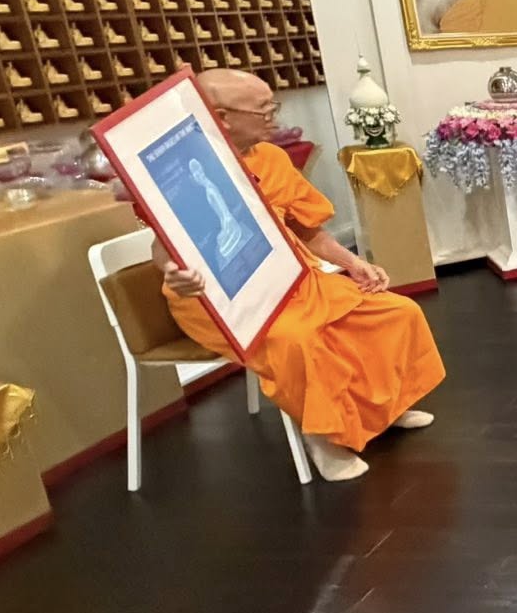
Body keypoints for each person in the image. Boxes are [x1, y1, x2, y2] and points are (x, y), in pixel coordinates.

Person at [157, 70, 444, 481]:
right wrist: (172, 270)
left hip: (291, 278)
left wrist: (353, 263)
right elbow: (160, 245)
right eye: (264, 109)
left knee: (395, 311)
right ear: (221, 117)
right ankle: (323, 436)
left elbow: (307, 228)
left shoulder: (271, 158)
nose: (274, 116)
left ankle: (385, 408)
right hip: (217, 295)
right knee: (301, 340)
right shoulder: (182, 170)